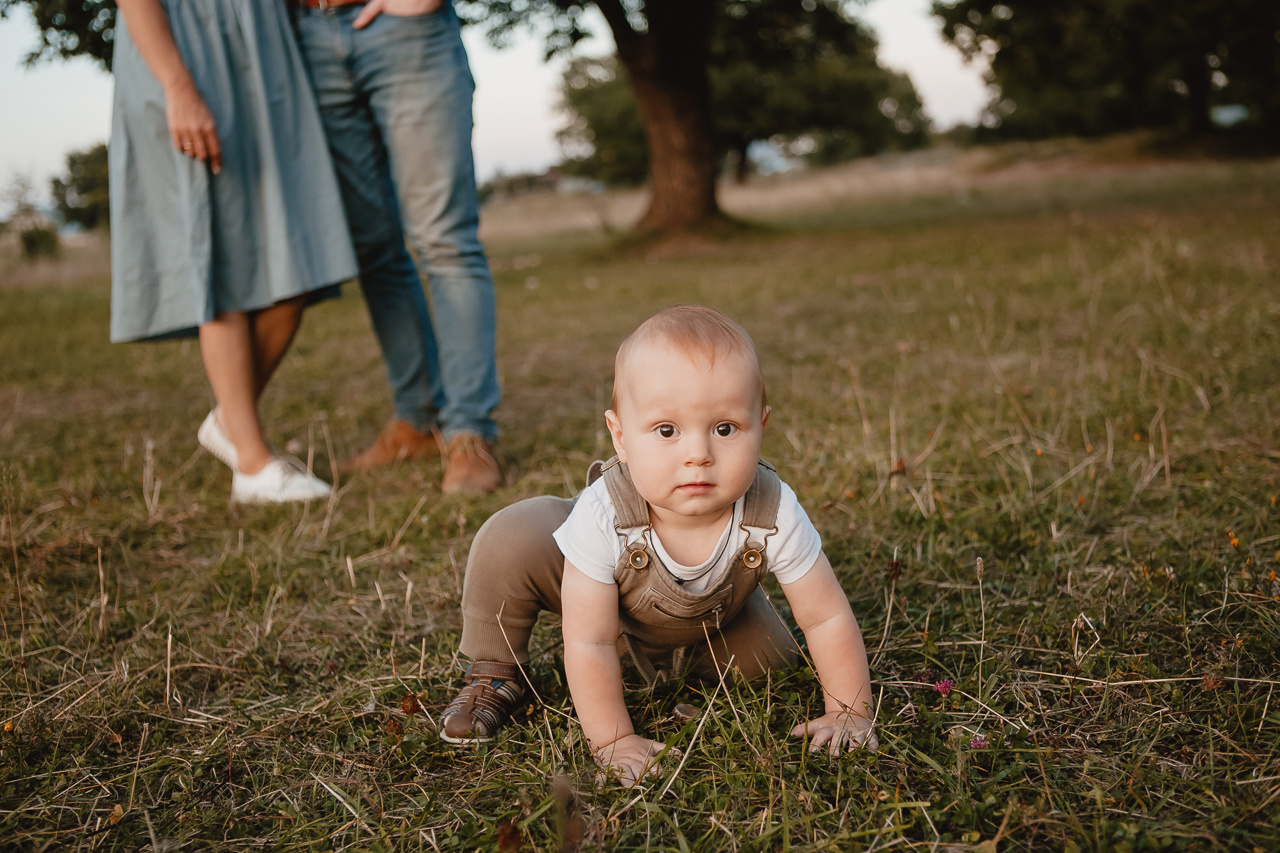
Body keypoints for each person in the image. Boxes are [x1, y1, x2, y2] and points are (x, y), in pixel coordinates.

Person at [438, 305, 877, 785]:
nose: (698, 455)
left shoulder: (773, 509)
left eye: (725, 429)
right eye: (666, 431)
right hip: (597, 599)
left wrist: (849, 710)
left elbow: (826, 615)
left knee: (770, 665)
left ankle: (666, 657)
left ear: (761, 427)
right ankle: (496, 672)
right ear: (621, 437)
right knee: (510, 539)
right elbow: (589, 639)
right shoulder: (603, 514)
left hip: (708, 617)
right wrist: (613, 741)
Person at [110, 0, 358, 503]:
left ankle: (229, 420)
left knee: (301, 264)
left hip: (266, 65)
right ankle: (251, 462)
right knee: (220, 262)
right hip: (188, 60)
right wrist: (178, 87)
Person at [290, 0, 503, 495]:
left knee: (445, 239)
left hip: (404, 30)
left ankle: (470, 432)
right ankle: (418, 420)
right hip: (305, 35)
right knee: (373, 249)